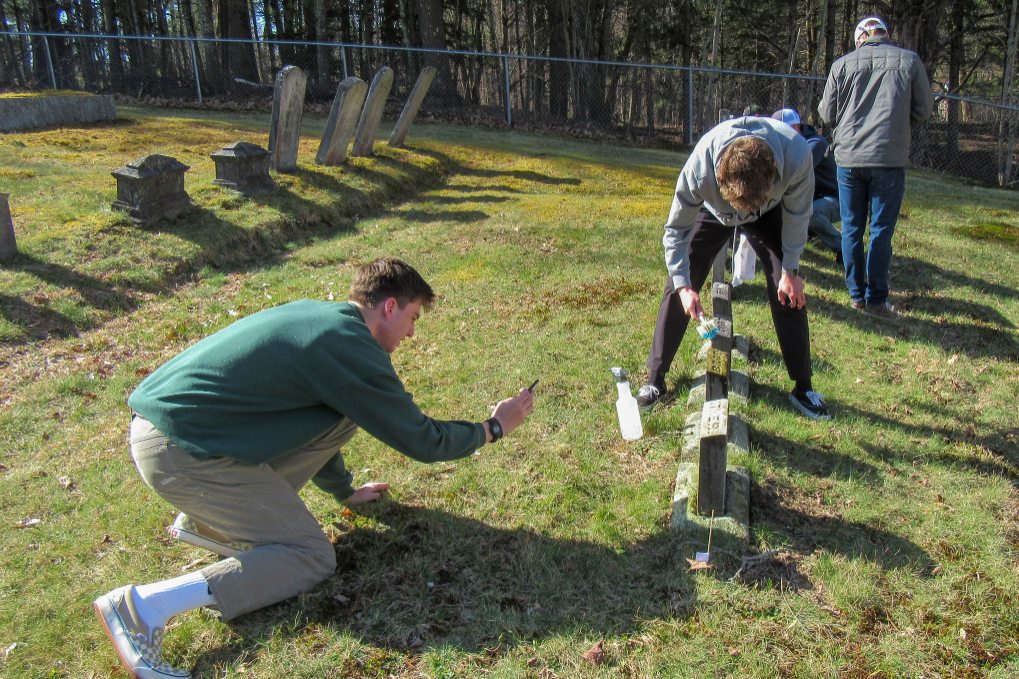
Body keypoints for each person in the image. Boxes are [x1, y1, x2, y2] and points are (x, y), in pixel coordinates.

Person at [93, 257, 535, 679]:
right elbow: (422, 439)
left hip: (179, 434)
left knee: (347, 413)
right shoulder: (351, 350)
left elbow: (323, 421)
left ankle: (215, 523)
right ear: (390, 307)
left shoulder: (326, 321)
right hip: (180, 449)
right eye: (414, 318)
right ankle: (143, 606)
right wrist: (494, 427)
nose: (412, 334)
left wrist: (344, 491)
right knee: (312, 557)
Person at [635, 115, 831, 422]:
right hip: (715, 212)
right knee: (679, 283)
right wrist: (685, 286)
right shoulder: (700, 167)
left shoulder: (796, 156)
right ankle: (655, 379)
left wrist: (790, 271)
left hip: (768, 210)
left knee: (789, 289)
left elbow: (798, 215)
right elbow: (675, 230)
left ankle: (803, 387)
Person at [818, 16, 934, 319]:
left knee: (851, 229)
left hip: (849, 160)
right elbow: (923, 110)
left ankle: (857, 295)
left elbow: (827, 113)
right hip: (888, 159)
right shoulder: (909, 61)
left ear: (860, 39)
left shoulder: (842, 65)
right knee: (881, 232)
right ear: (886, 35)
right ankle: (877, 302)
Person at [772, 108, 842, 260]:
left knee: (810, 214)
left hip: (832, 199)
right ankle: (811, 235)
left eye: (780, 131)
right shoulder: (789, 144)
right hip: (810, 198)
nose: (777, 136)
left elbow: (794, 172)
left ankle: (842, 247)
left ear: (795, 128)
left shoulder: (815, 144)